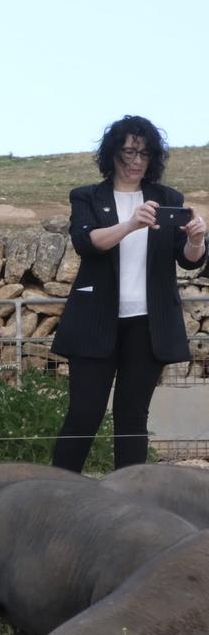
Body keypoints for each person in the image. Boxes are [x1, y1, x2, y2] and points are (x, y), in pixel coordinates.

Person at [51, 116, 207, 472]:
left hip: (147, 324)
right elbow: (87, 243)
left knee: (132, 417)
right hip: (94, 322)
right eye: (128, 153)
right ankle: (56, 489)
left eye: (145, 154)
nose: (137, 161)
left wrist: (197, 240)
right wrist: (130, 224)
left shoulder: (168, 199)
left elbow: (187, 259)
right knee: (83, 414)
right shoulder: (88, 196)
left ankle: (130, 501)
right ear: (112, 155)